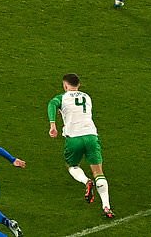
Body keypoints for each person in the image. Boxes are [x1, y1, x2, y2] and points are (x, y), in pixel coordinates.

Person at [47, 74, 113, 219]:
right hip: (91, 136)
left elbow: (52, 104)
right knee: (98, 172)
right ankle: (106, 207)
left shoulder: (62, 98)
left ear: (65, 85)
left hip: (74, 138)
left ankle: (86, 181)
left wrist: (53, 124)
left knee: (72, 166)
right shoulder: (87, 97)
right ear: (79, 84)